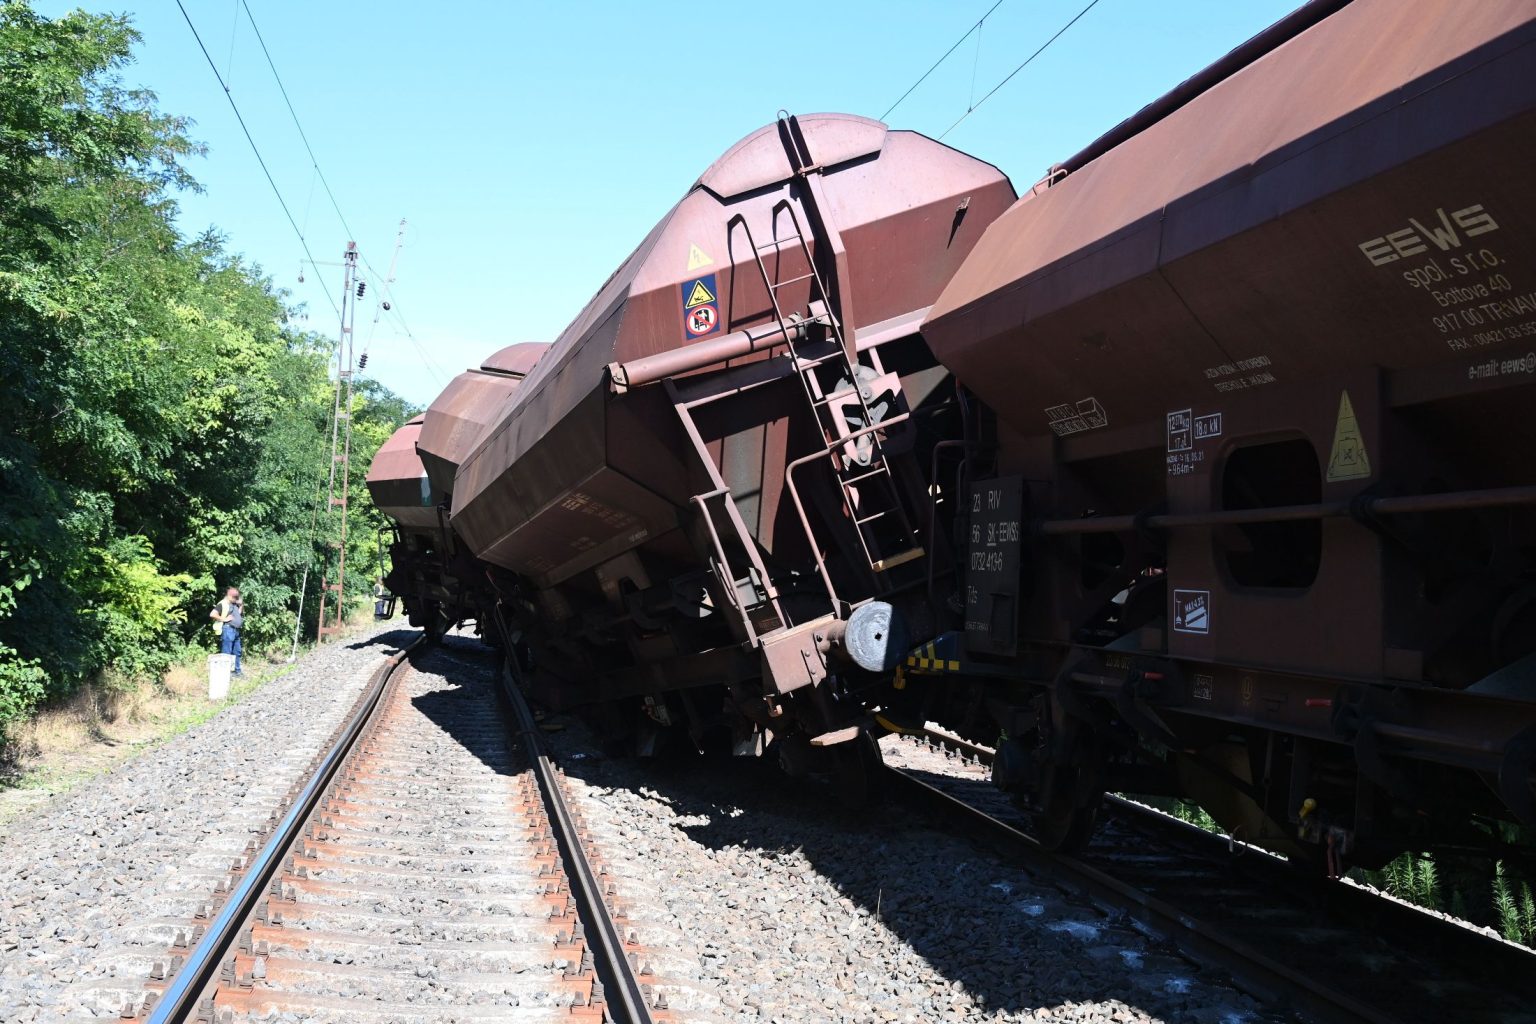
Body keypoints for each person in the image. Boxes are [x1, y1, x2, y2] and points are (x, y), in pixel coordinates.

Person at [210, 587, 244, 676]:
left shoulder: (234, 604)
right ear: (230, 596)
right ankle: (225, 673)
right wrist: (224, 619)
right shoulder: (222, 604)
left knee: (237, 651)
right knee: (226, 653)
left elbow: (238, 614)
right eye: (235, 597)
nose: (237, 599)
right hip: (228, 629)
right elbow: (212, 614)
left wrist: (241, 605)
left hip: (236, 631)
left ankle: (237, 671)